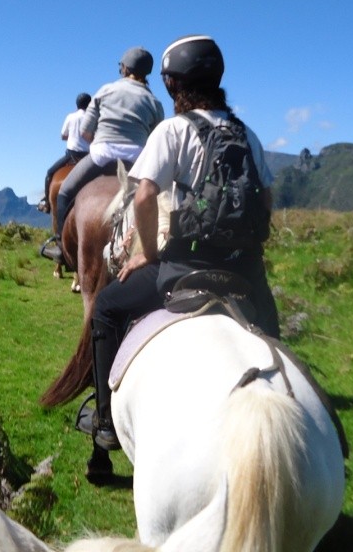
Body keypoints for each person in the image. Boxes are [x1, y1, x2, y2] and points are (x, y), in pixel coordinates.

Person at [88, 34, 280, 451]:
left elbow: (142, 195)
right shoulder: (248, 135)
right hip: (245, 270)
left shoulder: (173, 131)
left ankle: (104, 422)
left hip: (184, 268)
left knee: (105, 307)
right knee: (276, 345)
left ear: (174, 85)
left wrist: (150, 255)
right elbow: (266, 198)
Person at [41, 47, 165, 263]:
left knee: (64, 193)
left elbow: (86, 133)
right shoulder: (154, 102)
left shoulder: (105, 91)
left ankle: (61, 247)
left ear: (124, 68)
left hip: (101, 156)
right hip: (137, 162)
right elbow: (156, 139)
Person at [37, 92, 92, 214]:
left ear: (77, 104)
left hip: (71, 155)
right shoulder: (93, 118)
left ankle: (47, 203)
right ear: (89, 105)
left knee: (49, 173)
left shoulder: (70, 117)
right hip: (88, 157)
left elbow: (63, 136)